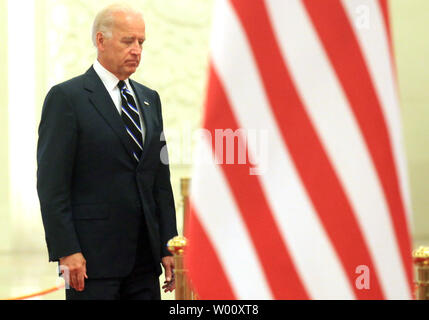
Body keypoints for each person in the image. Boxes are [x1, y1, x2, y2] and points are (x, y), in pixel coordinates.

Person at [36, 4, 178, 300]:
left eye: (141, 42)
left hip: (145, 261)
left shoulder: (150, 100)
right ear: (101, 41)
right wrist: (67, 250)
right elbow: (52, 186)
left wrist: (168, 245)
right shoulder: (67, 98)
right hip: (90, 262)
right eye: (128, 41)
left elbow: (159, 183)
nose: (137, 50)